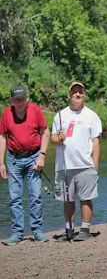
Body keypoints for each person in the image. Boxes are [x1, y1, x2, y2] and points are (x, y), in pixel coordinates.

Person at [51, 82, 102, 241]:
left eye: (80, 92)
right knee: (67, 199)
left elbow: (95, 142)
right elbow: (53, 139)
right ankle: (69, 230)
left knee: (86, 198)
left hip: (85, 165)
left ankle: (85, 229)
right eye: (74, 92)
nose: (77, 95)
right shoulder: (60, 115)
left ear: (84, 95)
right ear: (69, 95)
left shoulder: (91, 115)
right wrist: (58, 139)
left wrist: (95, 166)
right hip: (64, 166)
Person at [0, 85, 50, 245]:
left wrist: (42, 155)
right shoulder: (6, 113)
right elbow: (2, 137)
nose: (19, 102)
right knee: (15, 198)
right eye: (16, 99)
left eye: (22, 99)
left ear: (27, 99)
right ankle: (17, 233)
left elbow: (45, 132)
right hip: (13, 159)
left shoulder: (35, 110)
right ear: (11, 100)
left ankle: (37, 230)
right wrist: (0, 163)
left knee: (35, 196)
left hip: (34, 156)